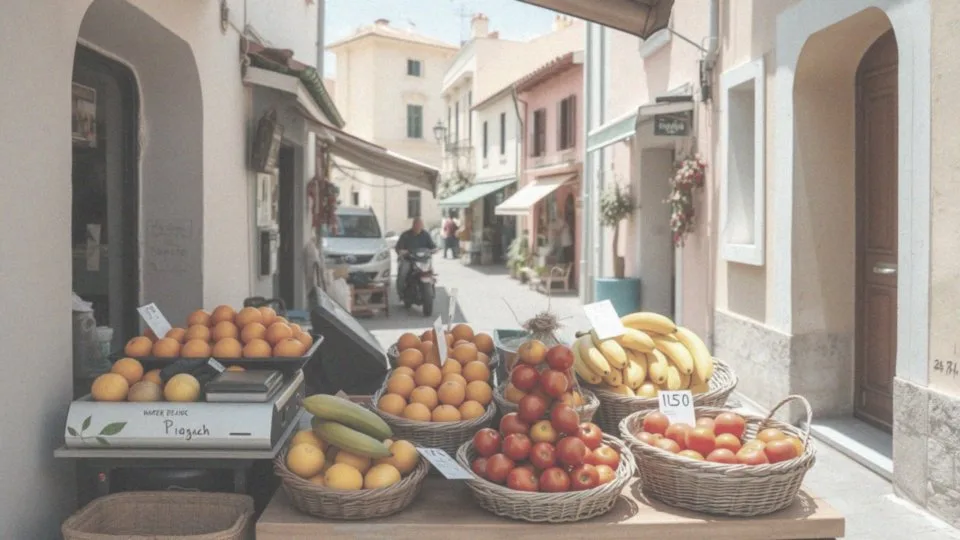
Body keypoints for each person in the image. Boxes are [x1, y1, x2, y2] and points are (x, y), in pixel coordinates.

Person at [395, 217, 437, 292]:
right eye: (417, 224)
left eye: (420, 225)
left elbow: (432, 246)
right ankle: (401, 291)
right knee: (403, 273)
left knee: (430, 272)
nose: (418, 226)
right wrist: (402, 251)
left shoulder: (425, 234)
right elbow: (398, 248)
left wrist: (434, 250)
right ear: (413, 225)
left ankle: (431, 288)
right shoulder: (405, 235)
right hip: (408, 260)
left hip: (423, 260)